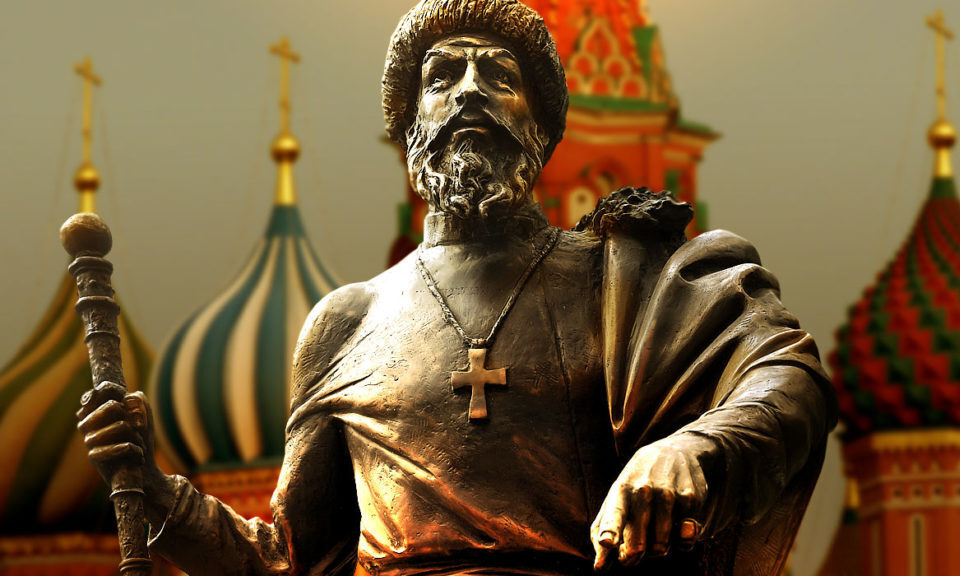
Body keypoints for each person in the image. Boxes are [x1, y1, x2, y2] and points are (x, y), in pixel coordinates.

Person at [77, 1, 836, 575]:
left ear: (542, 126)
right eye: (443, 76)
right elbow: (293, 562)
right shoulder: (346, 323)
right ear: (409, 123)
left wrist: (696, 449)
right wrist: (153, 489)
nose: (471, 91)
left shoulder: (628, 281)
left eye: (500, 77)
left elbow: (786, 374)